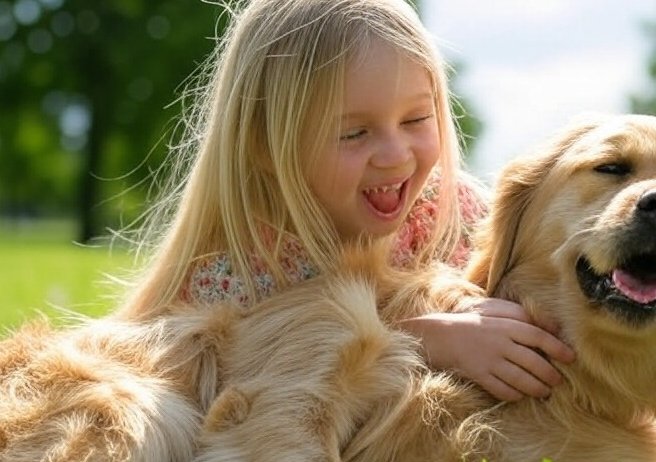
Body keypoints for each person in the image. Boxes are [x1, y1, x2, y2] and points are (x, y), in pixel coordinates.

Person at [117, 0, 574, 401]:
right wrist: (426, 341)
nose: (396, 156)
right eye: (354, 133)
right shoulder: (238, 275)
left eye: (416, 118)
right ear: (265, 146)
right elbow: (244, 394)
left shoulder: (454, 219)